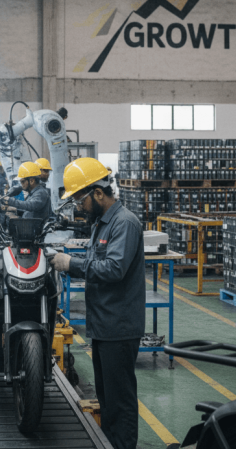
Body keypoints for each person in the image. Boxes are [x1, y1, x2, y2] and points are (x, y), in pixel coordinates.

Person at [49, 157, 144, 449]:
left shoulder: (124, 223)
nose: (78, 206)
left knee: (120, 401)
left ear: (98, 193)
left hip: (119, 326)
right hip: (104, 325)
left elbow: (114, 269)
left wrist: (71, 264)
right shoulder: (101, 223)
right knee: (107, 398)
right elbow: (97, 260)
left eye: (80, 199)